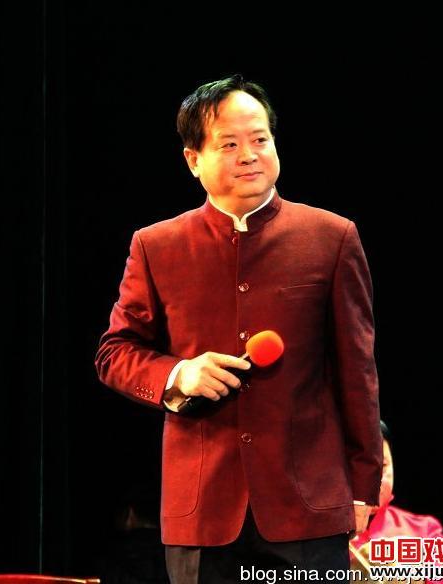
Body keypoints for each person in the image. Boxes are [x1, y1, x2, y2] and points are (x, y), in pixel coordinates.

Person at [95, 74, 382, 583]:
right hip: (203, 511)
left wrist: (363, 488)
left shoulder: (330, 237)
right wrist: (178, 375)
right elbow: (115, 353)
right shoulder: (156, 245)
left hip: (307, 508)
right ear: (193, 160)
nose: (249, 155)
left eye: (260, 139)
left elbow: (357, 372)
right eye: (229, 144)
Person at [350, 421, 443, 584]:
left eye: (383, 466)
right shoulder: (323, 537)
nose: (374, 480)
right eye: (360, 470)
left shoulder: (424, 530)